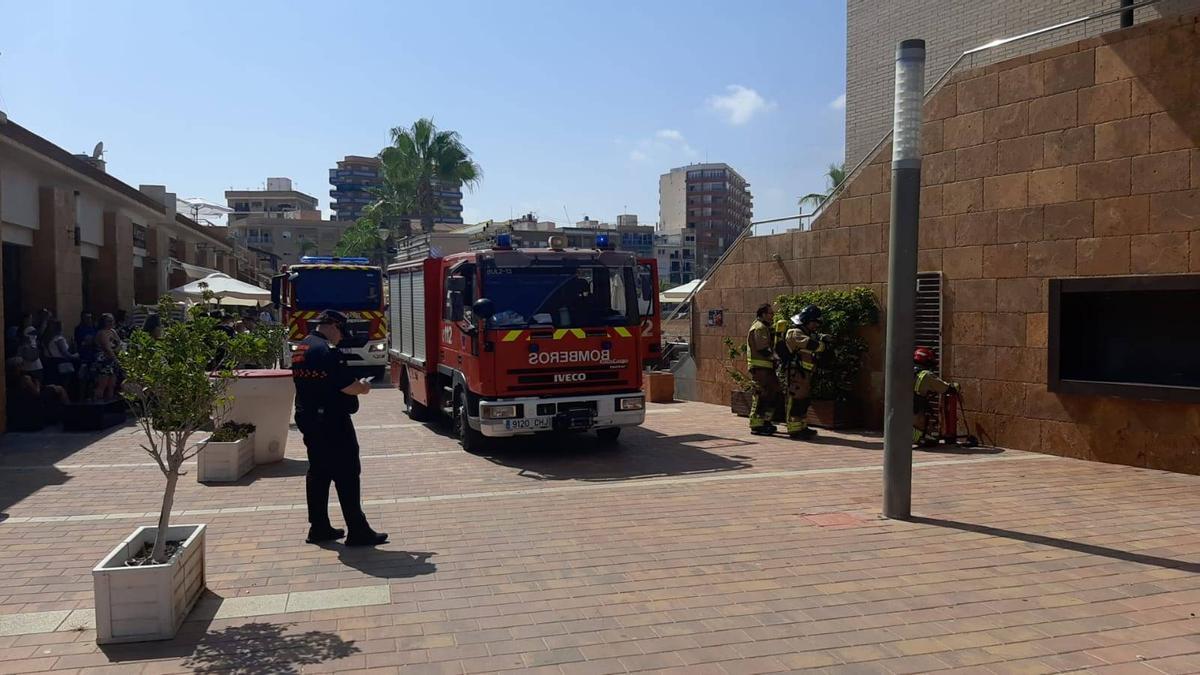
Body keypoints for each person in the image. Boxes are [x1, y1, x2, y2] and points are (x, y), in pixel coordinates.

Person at [291, 309, 387, 546]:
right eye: (342, 332)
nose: (341, 338)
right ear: (333, 326)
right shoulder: (328, 352)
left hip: (309, 417)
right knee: (347, 473)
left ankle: (319, 527)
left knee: (319, 472)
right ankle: (358, 529)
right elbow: (347, 386)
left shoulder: (302, 347)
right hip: (332, 420)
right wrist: (363, 387)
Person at [779, 305, 830, 439]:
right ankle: (794, 429)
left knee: (804, 400)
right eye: (814, 322)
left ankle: (802, 426)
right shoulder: (794, 332)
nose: (816, 326)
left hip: (805, 373)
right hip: (796, 373)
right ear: (807, 320)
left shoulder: (806, 333)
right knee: (796, 399)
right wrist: (822, 344)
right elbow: (811, 345)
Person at [746, 303, 782, 435]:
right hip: (760, 368)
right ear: (763, 314)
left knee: (773, 393)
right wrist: (776, 358)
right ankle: (757, 424)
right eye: (770, 313)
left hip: (767, 367)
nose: (772, 316)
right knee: (762, 394)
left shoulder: (765, 328)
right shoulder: (759, 328)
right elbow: (763, 348)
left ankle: (766, 420)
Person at [913, 347, 956, 445]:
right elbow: (945, 388)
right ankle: (918, 437)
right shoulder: (926, 375)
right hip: (914, 412)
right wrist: (955, 387)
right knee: (930, 439)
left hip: (898, 414)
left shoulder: (905, 370)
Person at [93, 313, 120, 401]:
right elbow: (107, 348)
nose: (111, 323)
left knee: (112, 384)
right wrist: (116, 359)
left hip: (112, 360)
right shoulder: (101, 333)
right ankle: (97, 403)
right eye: (108, 321)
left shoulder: (113, 331)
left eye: (112, 320)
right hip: (104, 360)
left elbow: (119, 343)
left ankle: (110, 403)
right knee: (102, 384)